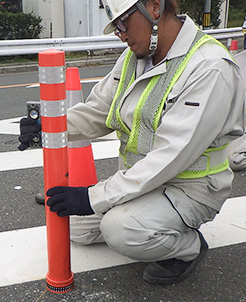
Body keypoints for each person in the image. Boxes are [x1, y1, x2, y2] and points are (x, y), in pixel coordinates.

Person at [19, 0, 246, 285]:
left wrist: (92, 197)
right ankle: (142, 220)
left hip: (191, 188)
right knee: (76, 227)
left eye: (123, 23)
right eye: (116, 27)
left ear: (153, 7)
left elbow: (170, 156)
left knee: (121, 229)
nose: (121, 35)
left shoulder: (208, 66)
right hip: (142, 181)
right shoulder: (134, 58)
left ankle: (189, 247)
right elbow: (99, 111)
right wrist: (49, 126)